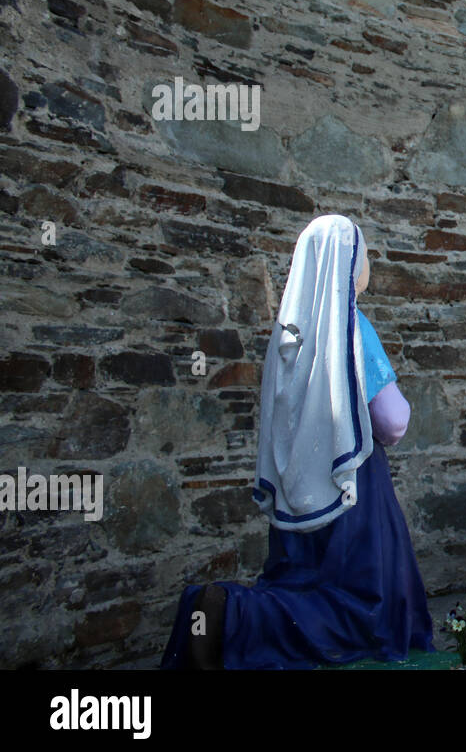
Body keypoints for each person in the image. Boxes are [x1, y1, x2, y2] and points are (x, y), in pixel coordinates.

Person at [160, 213, 434, 669]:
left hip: (294, 488)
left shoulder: (288, 331)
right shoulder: (350, 326)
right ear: (346, 262)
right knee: (364, 602)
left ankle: (232, 615)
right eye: (363, 256)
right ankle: (230, 612)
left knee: (299, 583)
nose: (367, 267)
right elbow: (392, 421)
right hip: (352, 483)